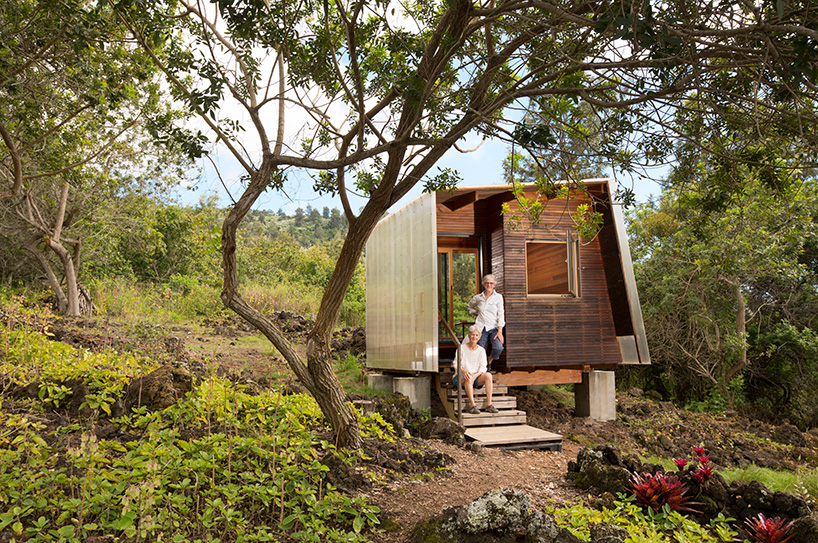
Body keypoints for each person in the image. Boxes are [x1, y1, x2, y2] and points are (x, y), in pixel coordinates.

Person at [467, 274, 505, 368]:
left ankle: (490, 360)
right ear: (484, 284)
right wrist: (475, 312)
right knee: (481, 348)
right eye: (487, 283)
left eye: (491, 283)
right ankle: (483, 367)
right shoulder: (478, 297)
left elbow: (501, 314)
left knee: (498, 348)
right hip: (481, 327)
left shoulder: (498, 297)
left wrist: (500, 331)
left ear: (494, 285)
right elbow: (469, 306)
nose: (489, 285)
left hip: (494, 327)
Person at [457, 325, 497, 414]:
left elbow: (483, 367)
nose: (474, 337)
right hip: (461, 376)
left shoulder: (481, 350)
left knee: (488, 375)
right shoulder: (461, 348)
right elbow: (456, 365)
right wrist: (465, 372)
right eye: (472, 335)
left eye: (476, 335)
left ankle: (489, 405)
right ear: (468, 336)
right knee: (468, 377)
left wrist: (475, 375)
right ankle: (472, 406)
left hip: (475, 376)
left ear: (479, 338)